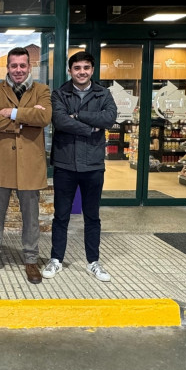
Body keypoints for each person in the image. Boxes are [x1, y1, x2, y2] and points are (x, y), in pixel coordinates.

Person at [0, 47, 51, 285]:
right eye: (13, 66)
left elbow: (44, 118)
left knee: (31, 217)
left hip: (30, 164)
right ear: (7, 67)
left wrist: (12, 112)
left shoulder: (42, 90)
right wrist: (25, 120)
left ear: (30, 67)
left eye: (22, 66)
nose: (18, 70)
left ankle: (31, 260)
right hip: (1, 163)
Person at [43, 51, 117, 282]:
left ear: (92, 70)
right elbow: (60, 121)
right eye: (77, 68)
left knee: (92, 217)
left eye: (86, 67)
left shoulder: (103, 93)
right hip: (65, 164)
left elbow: (109, 118)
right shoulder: (59, 93)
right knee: (61, 216)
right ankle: (56, 259)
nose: (82, 72)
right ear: (70, 70)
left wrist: (79, 115)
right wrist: (89, 127)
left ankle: (93, 261)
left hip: (93, 165)